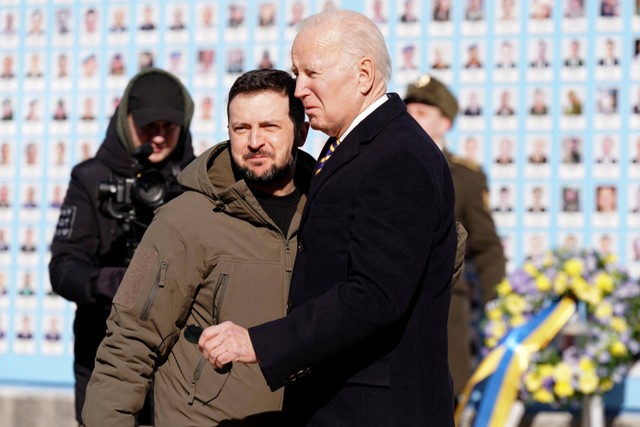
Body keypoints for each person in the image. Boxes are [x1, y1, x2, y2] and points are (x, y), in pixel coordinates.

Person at [198, 10, 466, 426]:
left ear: (363, 75)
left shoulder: (397, 158)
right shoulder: (354, 146)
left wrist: (258, 342)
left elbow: (375, 295)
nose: (298, 88)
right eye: (294, 71)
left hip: (376, 410)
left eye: (311, 73)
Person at [81, 68, 314, 426]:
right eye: (241, 128)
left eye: (269, 126)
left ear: (301, 132)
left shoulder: (326, 209)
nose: (254, 141)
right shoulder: (179, 220)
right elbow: (128, 339)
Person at [49, 68, 195, 426]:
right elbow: (64, 267)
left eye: (169, 128)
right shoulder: (91, 178)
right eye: (148, 127)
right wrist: (113, 282)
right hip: (102, 351)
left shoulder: (197, 181)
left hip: (176, 359)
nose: (159, 138)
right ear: (125, 120)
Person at [403, 74, 506, 400]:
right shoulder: (381, 163)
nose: (411, 118)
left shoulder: (465, 176)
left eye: (422, 113)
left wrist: (497, 305)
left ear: (444, 124)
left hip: (444, 309)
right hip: (381, 304)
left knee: (443, 401)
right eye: (408, 111)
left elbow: (487, 247)